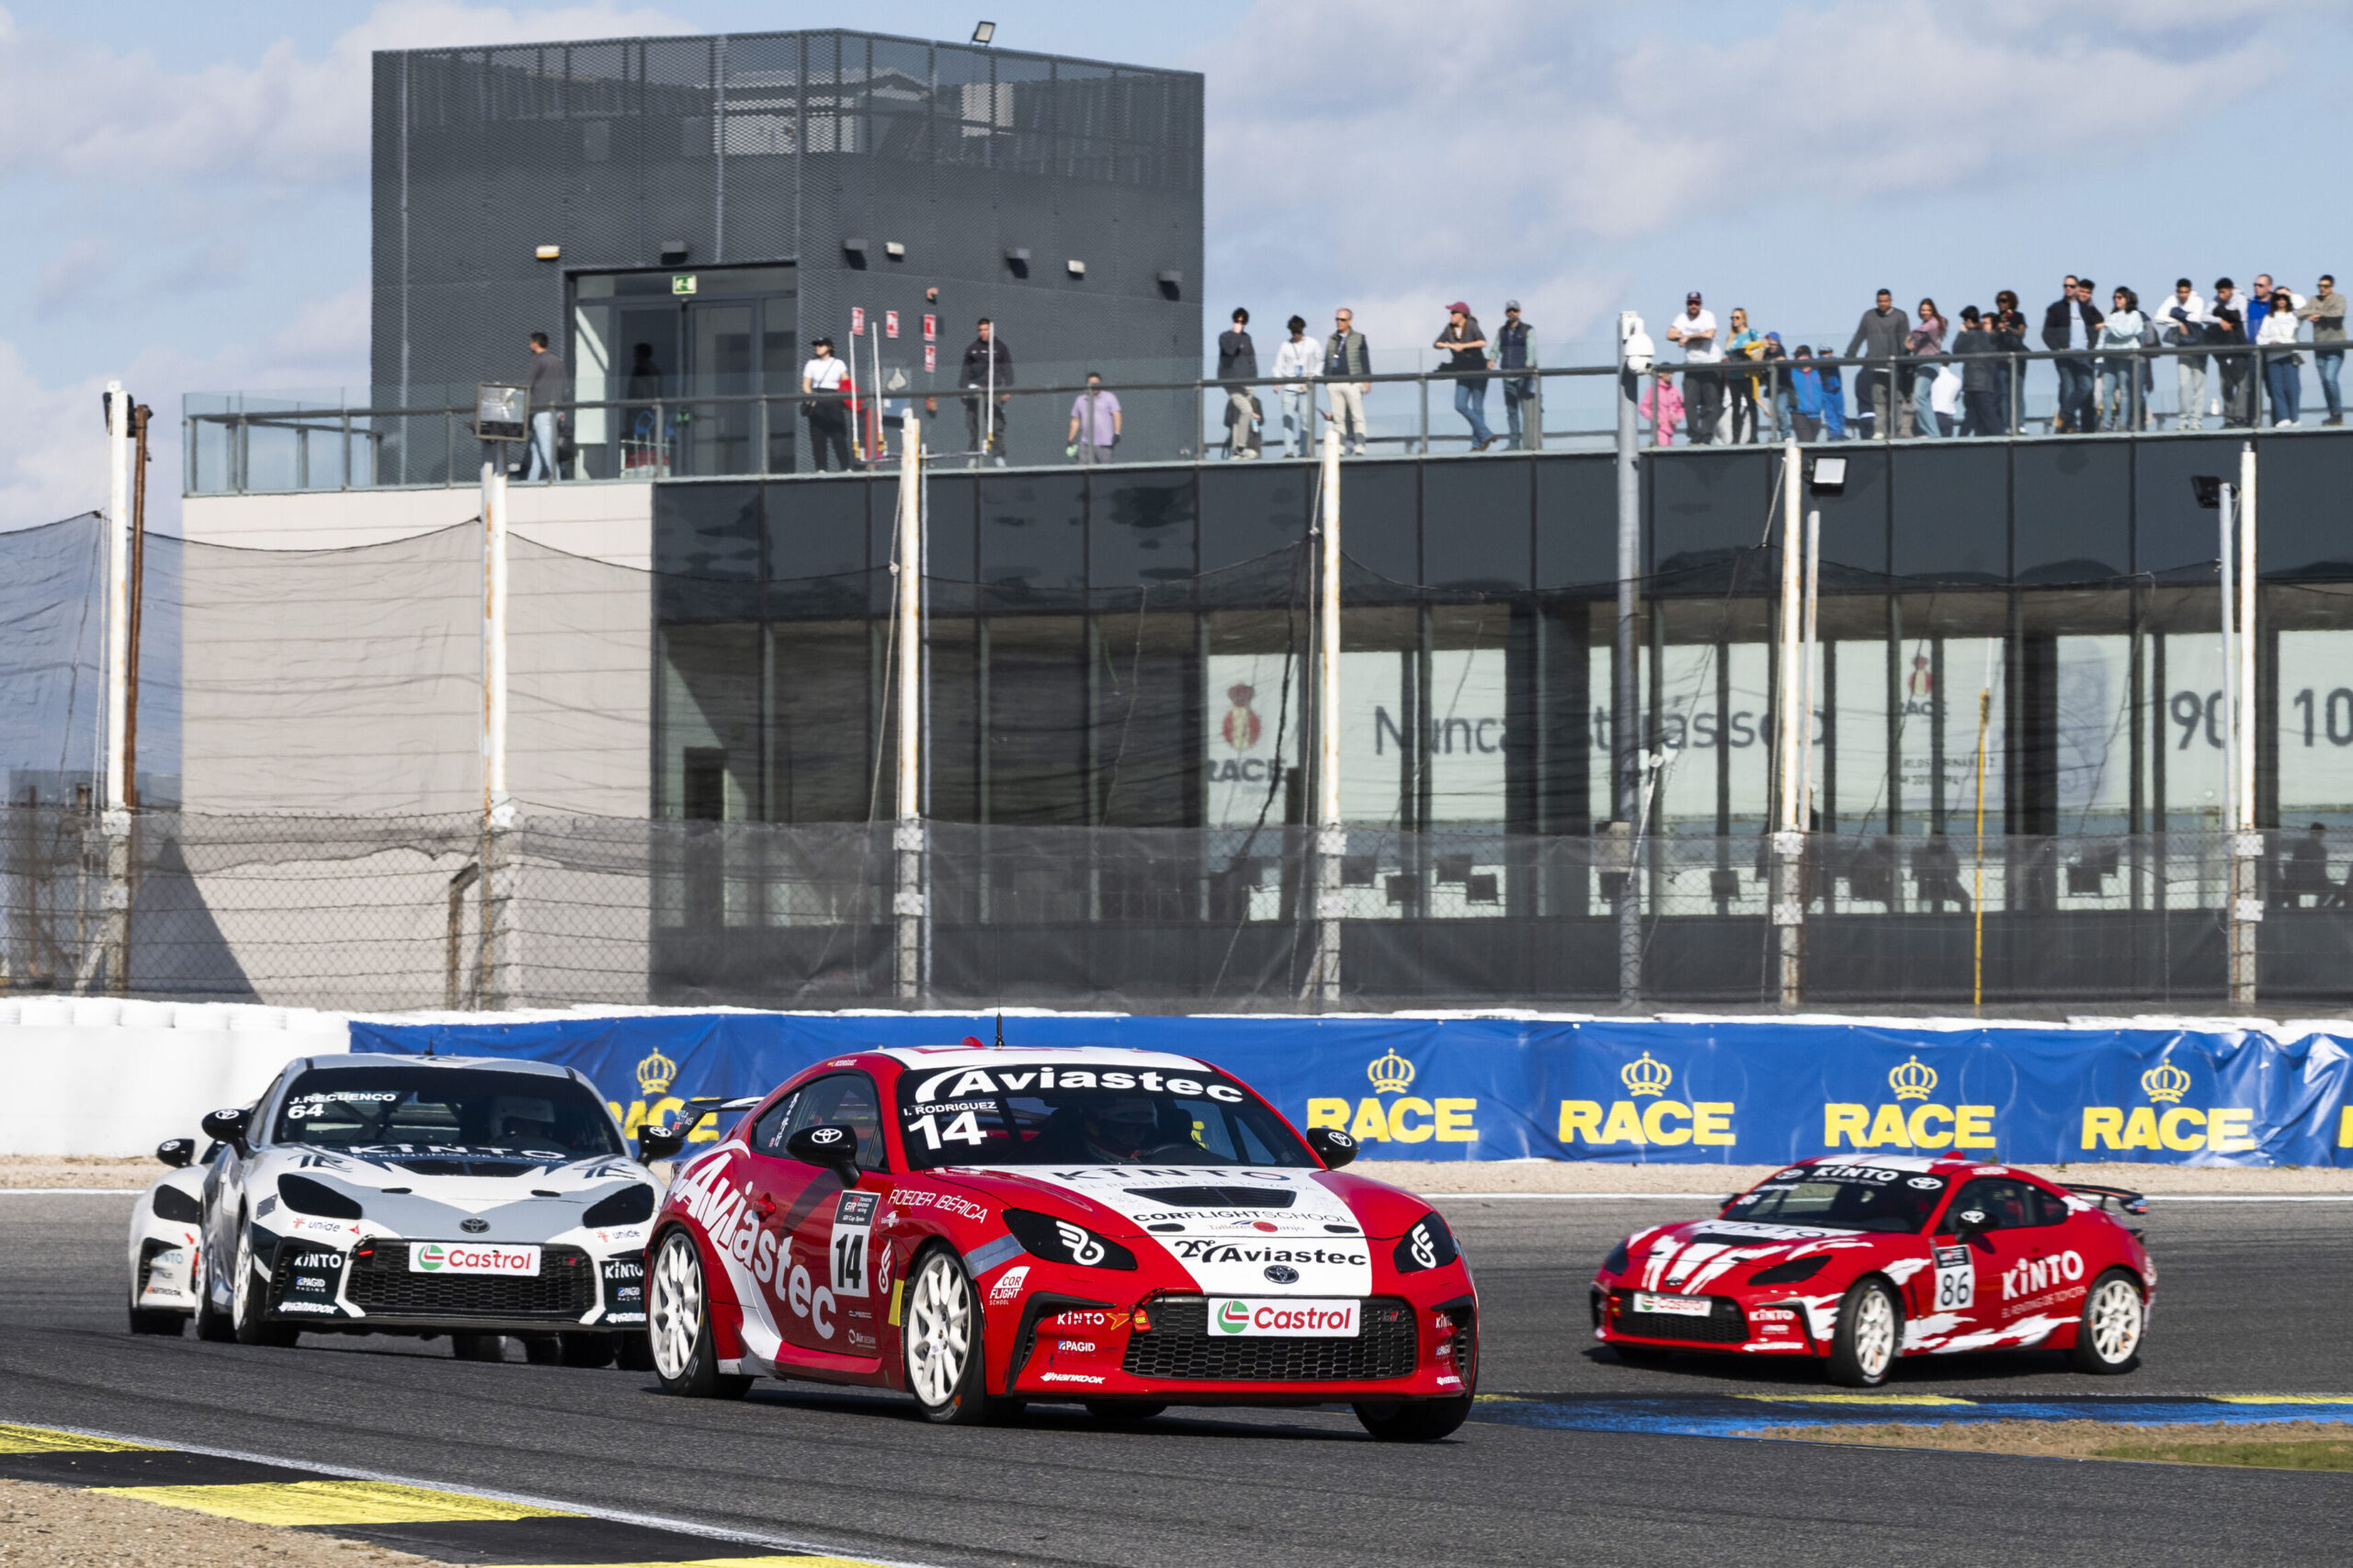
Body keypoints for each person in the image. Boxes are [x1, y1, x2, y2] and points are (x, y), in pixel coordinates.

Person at [1842, 289, 1906, 437]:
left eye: (1885, 301)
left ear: (1891, 301)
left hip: (1894, 366)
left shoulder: (1900, 316)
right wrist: (1850, 354)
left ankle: (1895, 430)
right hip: (1876, 365)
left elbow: (1904, 340)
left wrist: (1904, 360)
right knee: (1878, 399)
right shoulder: (1869, 317)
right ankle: (1880, 430)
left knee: (1895, 399)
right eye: (1880, 301)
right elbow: (1859, 336)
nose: (1882, 304)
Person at [2042, 275, 2102, 433]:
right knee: (2068, 389)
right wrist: (2059, 349)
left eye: (2071, 286)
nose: (2068, 288)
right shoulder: (2055, 308)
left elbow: (2094, 330)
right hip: (2064, 358)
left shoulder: (2086, 308)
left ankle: (2064, 417)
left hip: (2083, 356)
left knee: (2087, 386)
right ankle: (2068, 426)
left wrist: (2091, 348)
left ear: (2077, 288)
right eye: (2065, 285)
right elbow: (2046, 333)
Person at [1434, 301, 1495, 449]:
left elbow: (1483, 342)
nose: (1451, 315)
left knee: (1477, 407)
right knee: (1460, 405)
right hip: (1462, 371)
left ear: (1462, 314)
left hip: (1478, 370)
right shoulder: (1449, 329)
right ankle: (1486, 434)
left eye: (1454, 312)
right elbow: (1437, 344)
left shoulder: (1472, 325)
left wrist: (1464, 346)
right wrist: (1450, 345)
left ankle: (1477, 444)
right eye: (1451, 312)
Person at [1666, 291, 1722, 443]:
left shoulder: (1707, 316)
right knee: (1690, 402)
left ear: (1700, 304)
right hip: (1692, 365)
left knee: (1711, 402)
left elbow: (1710, 333)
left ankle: (1706, 435)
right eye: (1691, 303)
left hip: (1710, 363)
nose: (1693, 306)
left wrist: (1688, 337)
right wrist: (1680, 336)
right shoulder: (1682, 318)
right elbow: (1670, 334)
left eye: (1696, 303)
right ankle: (1694, 434)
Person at [2159, 279, 2213, 431]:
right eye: (2180, 292)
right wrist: (2179, 323)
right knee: (2183, 385)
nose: (2183, 295)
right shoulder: (2172, 300)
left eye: (2185, 292)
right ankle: (2183, 419)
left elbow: (2196, 318)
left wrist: (2176, 314)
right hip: (2183, 348)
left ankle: (2196, 420)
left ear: (2190, 291)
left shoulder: (2198, 300)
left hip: (2199, 348)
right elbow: (2159, 317)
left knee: (2199, 386)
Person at [801, 335, 858, 472]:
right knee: (817, 435)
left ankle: (845, 467)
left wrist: (845, 397)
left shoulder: (838, 363)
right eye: (817, 345)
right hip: (818, 397)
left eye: (821, 345)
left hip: (834, 398)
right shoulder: (811, 364)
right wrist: (812, 397)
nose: (818, 348)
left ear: (829, 348)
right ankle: (821, 468)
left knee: (838, 435)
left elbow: (846, 382)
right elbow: (806, 385)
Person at [960, 318, 1014, 462]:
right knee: (974, 425)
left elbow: (1008, 370)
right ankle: (973, 456)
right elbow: (965, 372)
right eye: (980, 330)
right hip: (976, 391)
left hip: (994, 390)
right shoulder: (972, 348)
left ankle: (999, 456)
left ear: (991, 329)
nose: (983, 332)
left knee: (997, 425)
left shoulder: (1000, 348)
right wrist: (964, 390)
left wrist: (1007, 389)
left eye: (986, 329)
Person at [1322, 308, 1371, 455]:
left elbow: (1365, 360)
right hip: (1334, 382)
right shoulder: (1331, 339)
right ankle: (1341, 446)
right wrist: (1327, 381)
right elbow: (1327, 360)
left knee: (1357, 416)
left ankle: (1360, 445)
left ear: (1349, 321)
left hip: (1352, 382)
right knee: (1338, 418)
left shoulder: (1359, 338)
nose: (1339, 322)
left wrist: (1367, 380)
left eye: (1342, 320)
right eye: (1337, 319)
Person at [2096, 288, 2146, 430]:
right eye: (2115, 297)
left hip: (2125, 357)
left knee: (2124, 390)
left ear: (2127, 299)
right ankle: (2106, 423)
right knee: (2107, 391)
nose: (2117, 300)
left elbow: (2126, 332)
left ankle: (2123, 423)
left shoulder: (2134, 315)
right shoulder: (2111, 315)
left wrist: (2108, 325)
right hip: (2109, 356)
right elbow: (2102, 339)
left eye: (2120, 297)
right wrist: (2098, 358)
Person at [2299, 276, 2346, 426]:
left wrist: (2319, 314)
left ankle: (2338, 413)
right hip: (2319, 348)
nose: (2322, 289)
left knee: (2330, 379)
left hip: (2335, 347)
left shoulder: (2339, 299)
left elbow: (2338, 314)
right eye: (2320, 286)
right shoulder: (2314, 299)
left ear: (2332, 287)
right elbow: (2299, 312)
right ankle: (2332, 414)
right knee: (2325, 381)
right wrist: (2309, 314)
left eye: (2325, 286)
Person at [1270, 314, 1320, 457]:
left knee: (1305, 419)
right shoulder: (1285, 346)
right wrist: (1276, 380)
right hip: (1289, 387)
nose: (1296, 335)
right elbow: (1278, 365)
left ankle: (1304, 451)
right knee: (1288, 419)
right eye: (1293, 332)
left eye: (1298, 332)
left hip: (1305, 386)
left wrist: (1314, 374)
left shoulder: (1312, 343)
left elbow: (1320, 360)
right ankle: (1289, 451)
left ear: (1302, 330)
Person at [2210, 278, 2255, 427]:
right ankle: (2228, 418)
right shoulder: (2215, 301)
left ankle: (2240, 417)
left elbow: (2239, 317)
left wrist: (2220, 313)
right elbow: (2204, 316)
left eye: (2223, 292)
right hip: (2223, 348)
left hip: (2240, 347)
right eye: (2219, 293)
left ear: (2230, 290)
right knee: (2226, 384)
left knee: (2242, 383)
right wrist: (2220, 321)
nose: (2221, 296)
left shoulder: (2240, 299)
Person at [2258, 283, 2304, 426]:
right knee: (2276, 389)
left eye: (2284, 298)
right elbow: (2260, 338)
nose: (2281, 300)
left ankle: (2294, 418)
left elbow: (2302, 305)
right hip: (2273, 357)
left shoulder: (2294, 316)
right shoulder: (2269, 318)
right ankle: (2283, 417)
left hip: (2289, 355)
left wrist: (2287, 292)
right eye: (2278, 298)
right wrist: (2269, 342)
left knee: (2293, 388)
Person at [524, 331, 566, 481]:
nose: (529, 345)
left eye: (530, 342)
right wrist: (561, 409)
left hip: (541, 410)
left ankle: (557, 482)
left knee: (547, 449)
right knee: (537, 449)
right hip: (554, 410)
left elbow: (528, 385)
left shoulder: (537, 360)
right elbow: (564, 387)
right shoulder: (557, 361)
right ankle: (531, 483)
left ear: (535, 343)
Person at [1953, 307, 2002, 436]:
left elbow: (1956, 351)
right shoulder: (1986, 337)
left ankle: (2003, 440)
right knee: (1971, 415)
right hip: (1986, 382)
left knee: (1988, 415)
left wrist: (1961, 333)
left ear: (1968, 320)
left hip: (1974, 383)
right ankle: (1960, 440)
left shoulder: (1969, 336)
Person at [1495, 301, 1538, 448]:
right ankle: (1514, 443)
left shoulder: (1527, 329)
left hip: (1523, 375)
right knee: (1511, 411)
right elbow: (1496, 347)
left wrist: (1529, 364)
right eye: (1509, 311)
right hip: (1507, 375)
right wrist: (1491, 359)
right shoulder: (1502, 331)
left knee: (1527, 410)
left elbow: (1531, 348)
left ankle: (1530, 442)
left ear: (1519, 312)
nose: (1511, 313)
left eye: (1514, 310)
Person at [1217, 308, 1258, 458]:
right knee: (1246, 411)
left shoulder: (1247, 338)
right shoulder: (1225, 336)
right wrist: (1235, 334)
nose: (1240, 324)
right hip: (1231, 383)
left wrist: (1253, 379)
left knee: (1239, 417)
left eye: (1242, 321)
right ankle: (1240, 447)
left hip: (1247, 383)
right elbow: (1229, 351)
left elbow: (1251, 359)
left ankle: (1236, 451)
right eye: (1237, 320)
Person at [1906, 298, 1948, 439]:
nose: (1925, 312)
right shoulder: (1925, 325)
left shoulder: (1934, 323)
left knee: (1919, 396)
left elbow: (1923, 330)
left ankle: (1932, 433)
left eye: (1928, 310)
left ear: (1933, 311)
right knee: (1924, 398)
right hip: (1921, 363)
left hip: (1930, 363)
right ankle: (1931, 431)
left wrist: (1908, 337)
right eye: (1923, 309)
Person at [1989, 290, 2029, 430]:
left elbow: (2021, 333)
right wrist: (1997, 329)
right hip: (2001, 358)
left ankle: (2020, 423)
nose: (2001, 304)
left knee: (2018, 390)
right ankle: (2006, 424)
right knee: (2004, 393)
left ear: (2011, 302)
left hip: (2017, 358)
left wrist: (2007, 327)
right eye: (1999, 301)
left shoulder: (2018, 316)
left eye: (2004, 301)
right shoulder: (1996, 318)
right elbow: (1991, 337)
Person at [1722, 307, 1763, 443]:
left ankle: (1753, 436)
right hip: (1734, 376)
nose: (1734, 320)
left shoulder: (1752, 334)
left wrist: (1747, 354)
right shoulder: (1731, 338)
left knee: (1752, 405)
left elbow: (1760, 352)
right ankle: (1735, 438)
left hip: (1748, 375)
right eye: (1732, 318)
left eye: (1737, 318)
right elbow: (1728, 354)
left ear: (1744, 319)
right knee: (1735, 407)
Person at [1065, 371, 1121, 463]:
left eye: (1096, 383)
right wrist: (1070, 439)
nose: (1094, 386)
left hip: (1105, 444)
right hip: (1085, 444)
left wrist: (1117, 433)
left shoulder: (1109, 397)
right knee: (1083, 471)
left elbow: (1116, 415)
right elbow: (1075, 420)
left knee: (1105, 471)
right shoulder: (1080, 400)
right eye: (1091, 384)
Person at [1789, 347, 1827, 442]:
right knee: (1806, 441)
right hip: (1799, 413)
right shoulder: (1792, 372)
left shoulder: (1818, 371)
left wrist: (1821, 405)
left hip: (1816, 414)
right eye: (1798, 357)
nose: (1801, 359)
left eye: (1804, 356)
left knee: (1812, 443)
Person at [1758, 332, 1792, 441]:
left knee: (1781, 411)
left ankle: (1785, 436)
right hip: (1771, 388)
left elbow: (1781, 358)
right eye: (1770, 344)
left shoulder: (1780, 350)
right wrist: (1762, 348)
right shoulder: (1765, 352)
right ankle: (1775, 436)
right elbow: (1758, 361)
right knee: (1773, 413)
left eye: (1774, 344)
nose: (1771, 347)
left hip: (1782, 387)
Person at [1639, 367, 1683, 445]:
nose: (1671, 376)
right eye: (1668, 373)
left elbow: (1681, 407)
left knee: (1669, 454)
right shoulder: (1653, 389)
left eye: (1672, 373)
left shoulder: (1675, 390)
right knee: (1663, 452)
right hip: (1659, 429)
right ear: (1661, 373)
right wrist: (1654, 418)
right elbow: (1643, 407)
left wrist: (1677, 417)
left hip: (1671, 430)